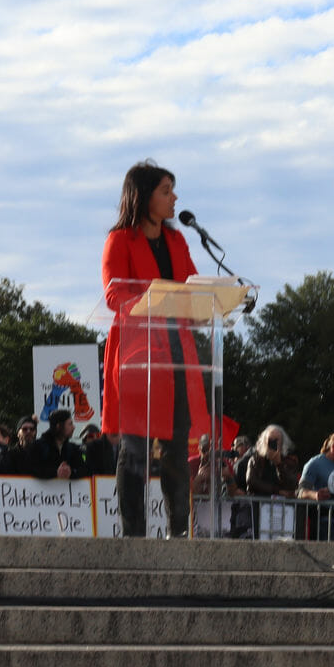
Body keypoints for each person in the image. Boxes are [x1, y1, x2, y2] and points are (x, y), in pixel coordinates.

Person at [101, 160, 215, 538]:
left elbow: (193, 288)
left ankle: (179, 533)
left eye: (172, 190)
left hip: (176, 355)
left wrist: (206, 304)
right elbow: (115, 294)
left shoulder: (177, 240)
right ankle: (134, 535)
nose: (174, 198)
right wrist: (161, 299)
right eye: (166, 190)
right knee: (134, 450)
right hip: (138, 357)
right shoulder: (120, 240)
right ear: (143, 195)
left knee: (176, 452)